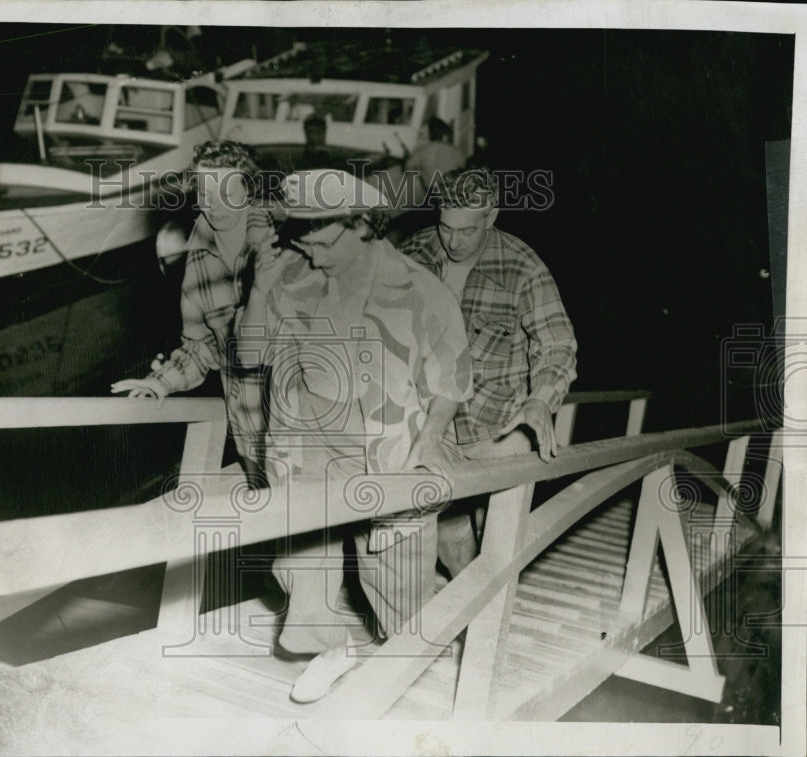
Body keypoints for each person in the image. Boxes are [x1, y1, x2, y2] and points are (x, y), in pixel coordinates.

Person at [238, 169, 473, 702]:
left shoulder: (419, 288)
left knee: (395, 570)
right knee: (297, 560)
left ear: (363, 224)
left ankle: (405, 652)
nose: (313, 256)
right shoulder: (292, 276)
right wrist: (259, 290)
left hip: (385, 446)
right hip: (305, 445)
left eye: (324, 243)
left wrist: (432, 440)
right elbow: (250, 355)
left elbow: (452, 380)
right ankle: (331, 649)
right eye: (304, 241)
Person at [401, 167, 577, 578]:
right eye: (446, 228)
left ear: (492, 216)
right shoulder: (413, 254)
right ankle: (472, 624)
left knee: (499, 544)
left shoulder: (523, 267)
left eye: (467, 231)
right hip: (433, 425)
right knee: (448, 540)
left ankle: (494, 615)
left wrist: (540, 402)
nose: (453, 241)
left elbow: (557, 344)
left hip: (499, 427)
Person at [111, 140, 273, 475]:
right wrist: (163, 381)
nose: (214, 204)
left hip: (309, 423)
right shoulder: (198, 259)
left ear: (249, 188)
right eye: (204, 191)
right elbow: (202, 347)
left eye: (227, 189)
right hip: (251, 430)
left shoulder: (284, 242)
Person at [405, 117, 466, 203]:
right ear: (444, 134)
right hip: (452, 192)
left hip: (433, 195)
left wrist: (420, 170)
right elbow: (463, 166)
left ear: (430, 134)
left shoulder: (423, 151)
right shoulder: (455, 151)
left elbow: (407, 167)